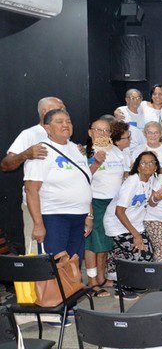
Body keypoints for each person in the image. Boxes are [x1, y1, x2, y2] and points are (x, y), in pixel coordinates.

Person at [24, 109, 92, 260]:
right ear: (47, 127)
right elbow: (31, 190)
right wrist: (38, 224)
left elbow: (85, 184)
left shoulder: (77, 149)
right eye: (59, 122)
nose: (66, 125)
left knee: (73, 265)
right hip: (54, 217)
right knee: (56, 265)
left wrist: (89, 214)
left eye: (68, 121)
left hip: (79, 217)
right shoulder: (40, 151)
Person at [2, 97, 65, 253]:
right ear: (45, 111)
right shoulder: (30, 134)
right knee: (38, 255)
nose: (64, 112)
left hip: (61, 207)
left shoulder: (64, 134)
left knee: (61, 256)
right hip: (38, 207)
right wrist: (26, 154)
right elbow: (5, 164)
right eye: (60, 109)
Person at [103, 152, 159, 292]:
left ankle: (123, 281)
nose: (148, 165)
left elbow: (150, 202)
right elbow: (119, 211)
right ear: (138, 167)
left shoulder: (151, 179)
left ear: (156, 167)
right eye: (144, 163)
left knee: (147, 252)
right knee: (142, 253)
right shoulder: (132, 182)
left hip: (135, 224)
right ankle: (125, 288)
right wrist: (136, 235)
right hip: (117, 224)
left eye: (151, 162)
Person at [84, 118, 127, 296]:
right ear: (90, 132)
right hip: (94, 202)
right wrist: (95, 162)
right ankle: (92, 282)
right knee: (92, 243)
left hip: (113, 203)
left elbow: (123, 174)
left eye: (106, 130)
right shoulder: (84, 152)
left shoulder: (116, 151)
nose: (103, 134)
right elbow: (82, 179)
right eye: (98, 130)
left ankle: (101, 278)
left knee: (105, 242)